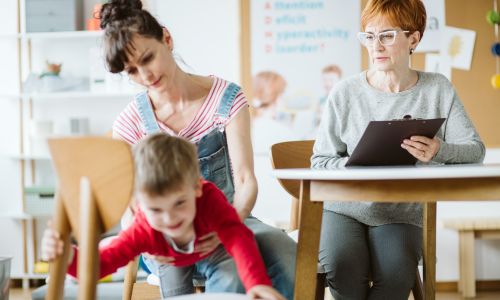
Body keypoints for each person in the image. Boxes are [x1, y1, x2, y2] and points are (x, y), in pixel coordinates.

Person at [100, 0, 296, 298]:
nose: (145, 76)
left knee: (286, 256)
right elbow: (130, 208)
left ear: (166, 39)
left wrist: (229, 224)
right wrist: (152, 242)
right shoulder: (130, 122)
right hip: (166, 234)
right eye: (132, 71)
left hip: (229, 217)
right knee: (225, 274)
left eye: (148, 58)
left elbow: (245, 180)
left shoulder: (226, 98)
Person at [311, 0, 485, 299]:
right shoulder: (345, 92)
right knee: (343, 266)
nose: (375, 46)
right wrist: (354, 165)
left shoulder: (437, 88)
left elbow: (475, 150)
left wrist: (438, 151)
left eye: (387, 35)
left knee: (396, 275)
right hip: (342, 208)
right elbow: (319, 161)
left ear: (413, 39)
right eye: (369, 35)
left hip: (400, 212)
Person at [41, 134, 285, 299]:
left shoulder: (209, 199)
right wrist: (66, 255)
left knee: (231, 280)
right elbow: (100, 265)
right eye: (156, 210)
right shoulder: (144, 229)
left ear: (197, 188)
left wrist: (256, 283)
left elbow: (238, 237)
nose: (169, 219)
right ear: (139, 205)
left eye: (179, 203)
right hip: (168, 259)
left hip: (211, 248)